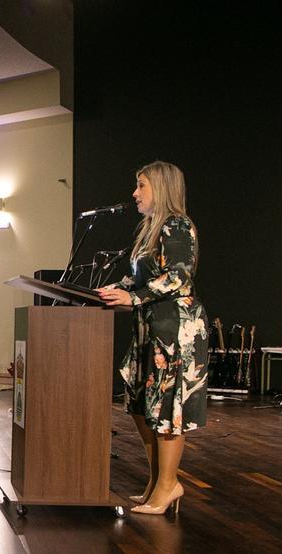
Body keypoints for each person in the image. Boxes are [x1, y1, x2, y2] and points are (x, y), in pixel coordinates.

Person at [97, 160, 208, 516]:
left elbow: (178, 278)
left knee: (167, 408)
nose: (135, 193)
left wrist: (133, 297)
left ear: (159, 188)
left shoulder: (177, 225)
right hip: (150, 326)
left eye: (141, 185)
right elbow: (138, 279)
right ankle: (159, 479)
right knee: (142, 404)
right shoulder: (150, 229)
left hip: (175, 329)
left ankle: (167, 485)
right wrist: (112, 291)